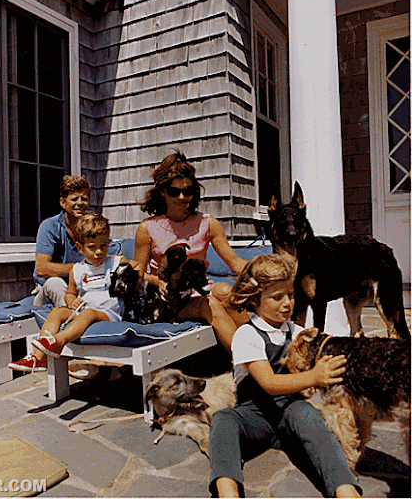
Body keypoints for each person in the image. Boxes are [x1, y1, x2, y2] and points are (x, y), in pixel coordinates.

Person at [208, 252, 362, 498]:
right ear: (255, 300)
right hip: (254, 418)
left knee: (308, 414)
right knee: (224, 419)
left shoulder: (297, 331)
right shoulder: (247, 335)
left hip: (290, 415)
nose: (288, 303)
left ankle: (345, 489)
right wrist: (314, 376)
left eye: (290, 295)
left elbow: (326, 349)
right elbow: (268, 383)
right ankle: (228, 491)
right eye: (277, 297)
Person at [134, 150, 248, 352]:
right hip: (168, 300)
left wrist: (268, 274)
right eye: (174, 191)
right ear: (162, 191)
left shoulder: (207, 223)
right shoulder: (147, 228)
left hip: (199, 290)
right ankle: (249, 361)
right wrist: (158, 281)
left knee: (225, 291)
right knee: (209, 304)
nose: (182, 197)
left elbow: (236, 263)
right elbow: (138, 273)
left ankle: (262, 347)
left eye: (187, 191)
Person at [10, 176, 118, 372]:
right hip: (49, 289)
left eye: (84, 198)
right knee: (55, 284)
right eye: (74, 199)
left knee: (85, 306)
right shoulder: (50, 226)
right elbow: (42, 268)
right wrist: (85, 267)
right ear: (62, 202)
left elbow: (111, 252)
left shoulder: (91, 227)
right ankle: (73, 354)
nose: (80, 203)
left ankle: (65, 350)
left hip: (82, 293)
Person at [31, 214, 143, 358]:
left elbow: (137, 266)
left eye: (103, 246)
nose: (99, 252)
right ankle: (38, 357)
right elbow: (70, 293)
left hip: (108, 313)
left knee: (88, 313)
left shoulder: (115, 262)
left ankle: (58, 341)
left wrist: (135, 279)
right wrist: (71, 301)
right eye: (92, 247)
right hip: (84, 310)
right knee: (57, 311)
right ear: (80, 247)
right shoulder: (77, 270)